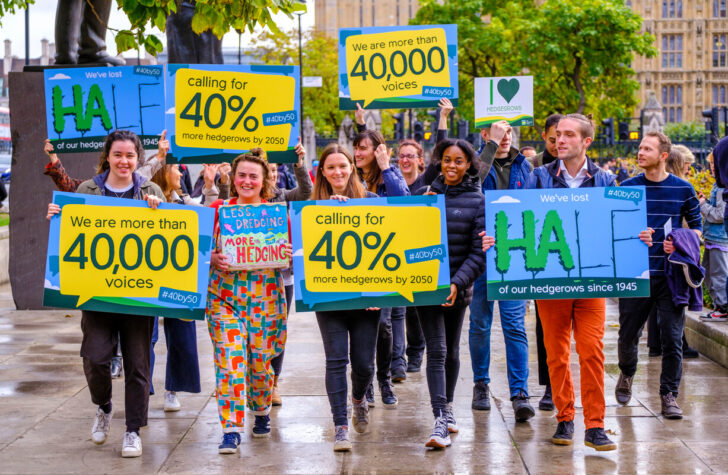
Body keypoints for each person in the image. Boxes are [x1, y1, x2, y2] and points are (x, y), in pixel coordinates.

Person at [46, 130, 166, 458]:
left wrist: (161, 210)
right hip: (97, 295)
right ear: (108, 156)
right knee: (94, 357)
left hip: (139, 296)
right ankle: (104, 406)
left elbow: (172, 233)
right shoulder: (88, 189)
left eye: (130, 155)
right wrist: (57, 218)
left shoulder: (151, 190)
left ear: (138, 158)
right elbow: (69, 229)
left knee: (138, 364)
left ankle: (132, 430)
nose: (124, 161)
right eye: (118, 155)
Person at [525, 114, 619, 451]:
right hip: (551, 279)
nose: (559, 140)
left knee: (592, 350)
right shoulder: (538, 177)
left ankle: (595, 425)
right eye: (557, 135)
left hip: (591, 280)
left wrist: (639, 235)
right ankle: (565, 418)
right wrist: (498, 239)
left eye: (568, 135)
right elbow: (522, 221)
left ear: (586, 141)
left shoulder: (607, 180)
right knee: (556, 353)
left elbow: (617, 224)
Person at [206, 153, 290, 454]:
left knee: (259, 363)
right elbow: (196, 249)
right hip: (223, 300)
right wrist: (211, 259)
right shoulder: (217, 211)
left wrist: (288, 254)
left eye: (253, 176)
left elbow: (294, 262)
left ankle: (261, 408)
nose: (246, 181)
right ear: (233, 177)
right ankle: (230, 428)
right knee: (230, 361)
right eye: (241, 175)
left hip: (266, 301)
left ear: (264, 181)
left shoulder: (277, 215)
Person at [616, 131, 702, 420]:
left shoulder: (683, 189)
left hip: (670, 275)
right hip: (635, 273)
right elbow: (611, 228)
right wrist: (632, 234)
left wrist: (678, 239)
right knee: (628, 336)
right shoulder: (626, 188)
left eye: (647, 149)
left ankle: (669, 395)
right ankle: (627, 373)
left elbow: (697, 231)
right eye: (640, 148)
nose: (640, 152)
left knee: (672, 338)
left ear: (663, 156)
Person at [415, 138, 485, 449]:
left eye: (458, 160)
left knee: (453, 352)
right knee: (438, 350)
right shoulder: (424, 196)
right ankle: (440, 418)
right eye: (446, 160)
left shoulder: (478, 200)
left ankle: (449, 406)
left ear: (469, 164)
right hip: (427, 288)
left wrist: (457, 283)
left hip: (458, 289)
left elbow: (478, 253)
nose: (451, 166)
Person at [312, 143, 379, 452]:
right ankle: (340, 425)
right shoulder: (310, 209)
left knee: (364, 365)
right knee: (336, 360)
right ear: (322, 174)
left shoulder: (374, 202)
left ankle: (359, 398)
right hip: (329, 297)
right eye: (331, 168)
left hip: (367, 300)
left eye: (342, 166)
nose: (337, 172)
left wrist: (383, 291)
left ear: (352, 167)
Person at [469, 119, 534, 421]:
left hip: (515, 257)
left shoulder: (525, 166)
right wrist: (490, 148)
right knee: (480, 324)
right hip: (482, 257)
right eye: (497, 131)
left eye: (508, 131)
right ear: (484, 135)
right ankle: (481, 383)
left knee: (515, 325)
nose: (505, 137)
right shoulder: (476, 163)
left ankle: (520, 392)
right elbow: (472, 185)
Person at [148, 162, 222, 411]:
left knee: (181, 334)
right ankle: (141, 388)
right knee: (146, 334)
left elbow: (208, 213)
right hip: (147, 276)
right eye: (175, 169)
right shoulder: (143, 197)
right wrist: (157, 158)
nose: (181, 173)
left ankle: (172, 389)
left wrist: (210, 186)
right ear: (162, 172)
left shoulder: (182, 200)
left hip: (179, 278)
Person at [352, 126, 409, 407]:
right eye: (357, 147)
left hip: (385, 262)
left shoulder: (391, 176)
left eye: (364, 148)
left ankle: (384, 379)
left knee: (383, 324)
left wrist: (387, 168)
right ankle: (366, 383)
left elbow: (406, 205)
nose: (358, 153)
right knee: (361, 326)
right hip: (354, 263)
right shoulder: (350, 177)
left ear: (377, 151)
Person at [256, 142, 312, 406]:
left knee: (277, 330)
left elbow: (307, 191)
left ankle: (273, 383)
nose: (274, 174)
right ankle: (255, 380)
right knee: (253, 332)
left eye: (276, 169)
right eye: (269, 170)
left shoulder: (283, 196)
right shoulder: (244, 196)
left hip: (282, 278)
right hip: (250, 277)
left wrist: (299, 165)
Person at [700, 153, 728, 321]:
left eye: (714, 162)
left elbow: (719, 215)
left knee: (718, 275)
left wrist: (703, 205)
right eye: (710, 163)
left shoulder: (722, 187)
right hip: (712, 238)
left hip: (718, 239)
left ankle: (723, 308)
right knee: (709, 274)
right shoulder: (718, 185)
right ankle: (720, 306)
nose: (712, 166)